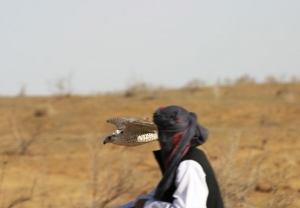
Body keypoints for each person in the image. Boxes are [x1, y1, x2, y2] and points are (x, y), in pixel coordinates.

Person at [116, 105, 224, 208]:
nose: (159, 139)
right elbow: (155, 197)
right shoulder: (179, 160)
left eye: (161, 135)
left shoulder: (188, 164)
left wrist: (147, 205)